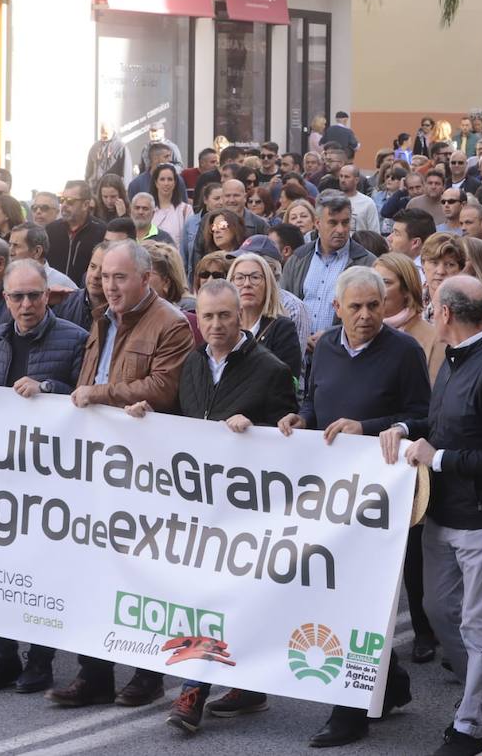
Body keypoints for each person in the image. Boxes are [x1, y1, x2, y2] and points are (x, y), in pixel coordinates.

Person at [121, 279, 298, 735]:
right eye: (208, 317)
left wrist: (255, 428)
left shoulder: (271, 369)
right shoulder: (193, 363)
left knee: (222, 597)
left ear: (240, 316)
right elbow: (185, 421)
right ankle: (246, 687)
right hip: (198, 505)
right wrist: (149, 417)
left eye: (225, 316)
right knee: (205, 596)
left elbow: (291, 438)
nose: (216, 325)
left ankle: (192, 694)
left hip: (248, 511)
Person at [278, 266, 429, 747]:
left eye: (374, 306)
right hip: (331, 497)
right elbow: (316, 408)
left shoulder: (404, 351)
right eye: (356, 307)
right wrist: (299, 418)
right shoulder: (323, 348)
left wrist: (368, 427)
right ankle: (392, 681)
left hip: (379, 497)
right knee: (338, 594)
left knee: (359, 601)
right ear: (337, 308)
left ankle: (350, 710)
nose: (366, 316)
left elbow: (424, 418)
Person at [378, 275, 482, 756]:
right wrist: (404, 427)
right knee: (438, 611)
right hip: (442, 513)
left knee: (479, 624)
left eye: (430, 305)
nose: (426, 311)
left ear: (445, 314)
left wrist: (435, 458)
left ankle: (469, 729)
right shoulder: (454, 359)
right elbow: (438, 423)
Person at [50, 240, 194, 709]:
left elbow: (164, 388)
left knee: (142, 573)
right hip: (99, 465)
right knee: (93, 568)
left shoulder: (171, 324)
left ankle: (146, 673)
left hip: (144, 468)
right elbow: (84, 384)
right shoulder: (101, 319)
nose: (108, 286)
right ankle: (94, 672)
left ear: (145, 279)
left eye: (120, 277)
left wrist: (101, 393)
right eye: (105, 276)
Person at [0, 260, 88, 695]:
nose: (26, 304)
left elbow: (86, 399)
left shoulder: (76, 340)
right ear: (6, 299)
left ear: (49, 293)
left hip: (51, 480)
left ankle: (40, 660)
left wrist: (48, 388)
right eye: (17, 297)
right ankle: (1, 655)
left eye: (34, 295)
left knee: (42, 571)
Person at [280, 194, 375, 339]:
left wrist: (333, 335)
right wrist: (299, 336)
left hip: (341, 351)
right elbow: (282, 305)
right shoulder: (298, 259)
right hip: (299, 349)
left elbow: (372, 313)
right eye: (333, 222)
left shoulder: (366, 263)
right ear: (317, 224)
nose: (341, 230)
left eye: (345, 222)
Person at [376, 251, 444, 384]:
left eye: (385, 282)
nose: (376, 289)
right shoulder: (360, 333)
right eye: (374, 281)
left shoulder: (435, 339)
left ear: (407, 290)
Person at [229, 252, 301, 379]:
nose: (247, 284)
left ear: (268, 285)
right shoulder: (223, 326)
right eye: (240, 278)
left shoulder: (282, 329)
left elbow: (285, 381)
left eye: (255, 277)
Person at [8, 222, 77, 294]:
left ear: (37, 251)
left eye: (16, 246)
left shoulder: (62, 284)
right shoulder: (9, 278)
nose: (10, 251)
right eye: (10, 245)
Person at [150, 163, 192, 245]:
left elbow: (189, 241)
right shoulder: (148, 209)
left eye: (170, 179)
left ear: (175, 183)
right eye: (162, 179)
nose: (166, 183)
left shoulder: (185, 210)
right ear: (156, 183)